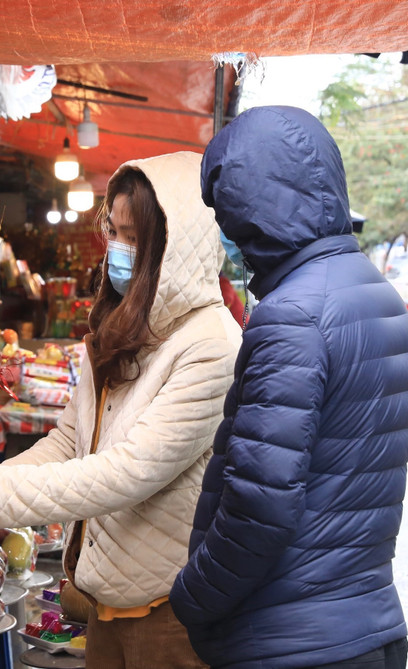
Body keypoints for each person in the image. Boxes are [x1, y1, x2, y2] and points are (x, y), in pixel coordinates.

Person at [0, 151, 241, 668]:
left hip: (167, 611)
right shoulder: (125, 328)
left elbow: (128, 473)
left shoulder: (212, 345)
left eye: (135, 237)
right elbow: (69, 442)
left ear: (175, 245)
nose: (119, 248)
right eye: (114, 232)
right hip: (105, 600)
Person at [171, 106, 408, 669]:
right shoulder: (378, 294)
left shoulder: (293, 315)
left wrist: (192, 597)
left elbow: (259, 503)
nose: (227, 234)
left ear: (253, 211)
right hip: (366, 625)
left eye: (228, 215)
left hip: (288, 638)